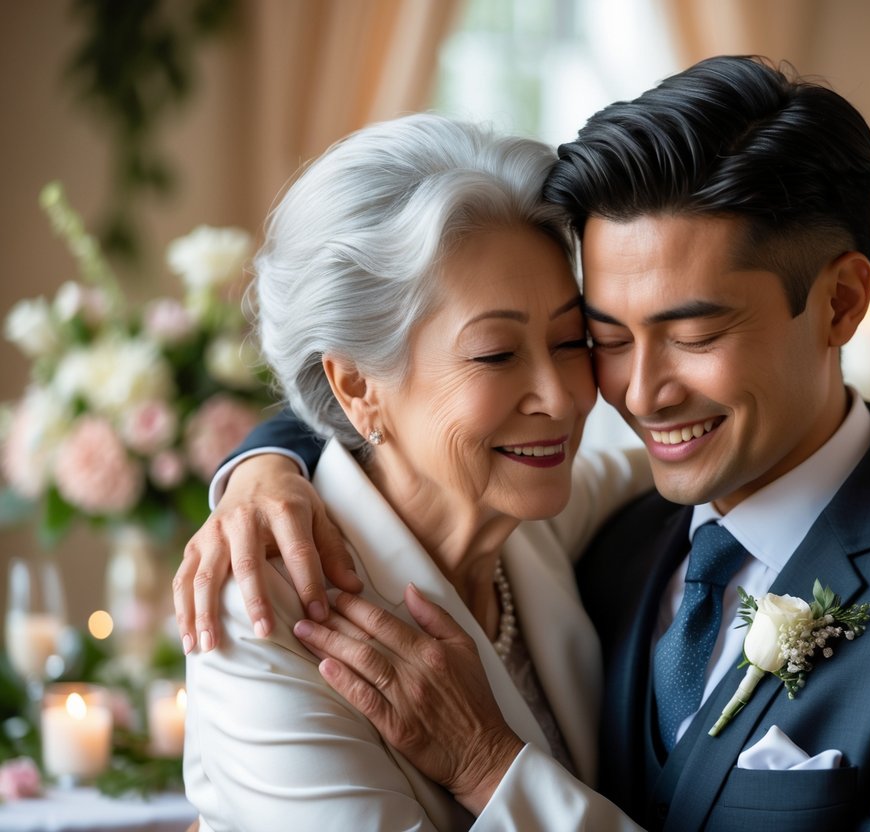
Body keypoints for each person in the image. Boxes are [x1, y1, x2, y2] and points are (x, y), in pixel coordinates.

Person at [179, 60, 870, 830]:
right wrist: (260, 467)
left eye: (691, 334)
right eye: (608, 334)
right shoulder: (612, 533)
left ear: (842, 304)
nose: (617, 392)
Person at [183, 114, 660, 829]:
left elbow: (704, 453)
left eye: (570, 340)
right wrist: (479, 762)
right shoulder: (263, 616)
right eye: (496, 354)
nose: (564, 396)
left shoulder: (538, 517)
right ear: (356, 388)